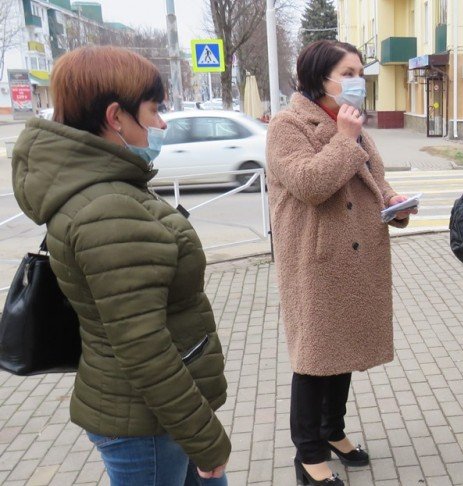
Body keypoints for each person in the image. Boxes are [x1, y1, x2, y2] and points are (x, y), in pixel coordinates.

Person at [11, 46, 230, 484]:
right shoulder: (109, 206)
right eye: (154, 109)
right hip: (146, 422)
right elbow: (142, 346)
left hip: (153, 414)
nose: (163, 123)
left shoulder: (110, 186)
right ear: (116, 117)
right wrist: (204, 438)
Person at [266, 40, 416, 486]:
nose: (358, 82)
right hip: (316, 261)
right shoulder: (287, 125)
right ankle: (308, 454)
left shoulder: (354, 126)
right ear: (319, 78)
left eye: (361, 72)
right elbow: (310, 184)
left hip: (359, 258)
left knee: (344, 352)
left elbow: (377, 180)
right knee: (314, 359)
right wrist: (345, 140)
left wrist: (395, 202)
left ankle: (333, 431)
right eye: (349, 73)